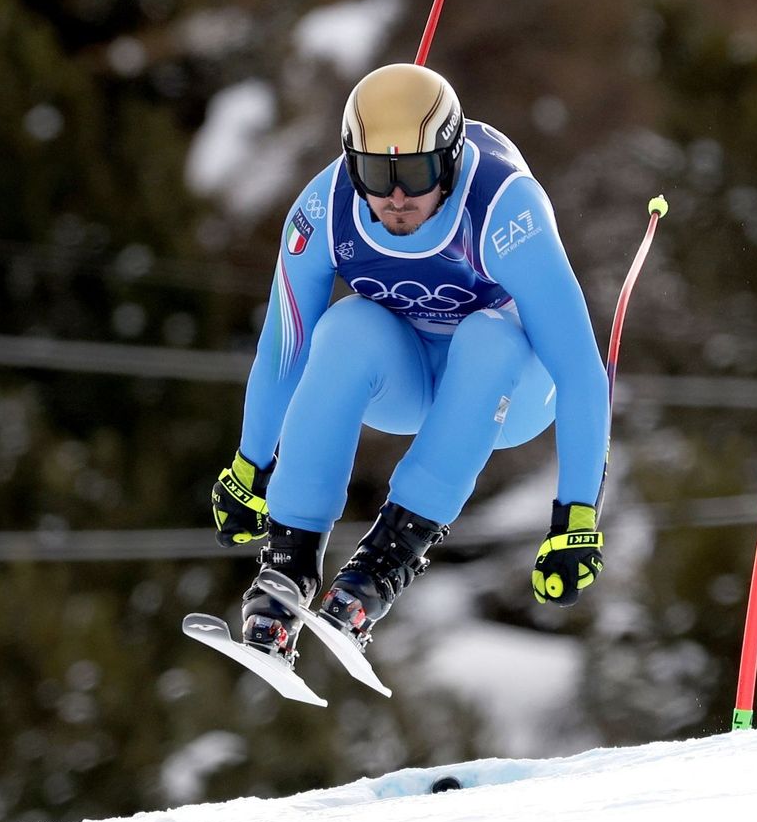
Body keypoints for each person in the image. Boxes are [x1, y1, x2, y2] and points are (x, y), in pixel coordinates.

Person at [207, 62, 610, 662]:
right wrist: (250, 462)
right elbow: (285, 345)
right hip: (410, 382)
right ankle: (287, 568)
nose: (396, 196)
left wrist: (577, 515)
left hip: (514, 392)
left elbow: (580, 369)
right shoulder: (324, 211)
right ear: (351, 164)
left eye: (416, 173)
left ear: (447, 160)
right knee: (345, 325)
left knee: (488, 336)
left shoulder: (504, 207)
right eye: (376, 173)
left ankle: (382, 566)